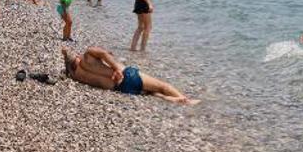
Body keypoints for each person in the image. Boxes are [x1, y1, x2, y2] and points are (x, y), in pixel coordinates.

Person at [61, 46, 199, 105]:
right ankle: (186, 100)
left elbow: (69, 61)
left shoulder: (77, 76)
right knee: (163, 86)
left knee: (151, 93)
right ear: (78, 58)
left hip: (121, 89)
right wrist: (116, 68)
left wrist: (67, 58)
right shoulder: (87, 56)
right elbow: (104, 53)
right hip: (127, 76)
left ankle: (169, 99)